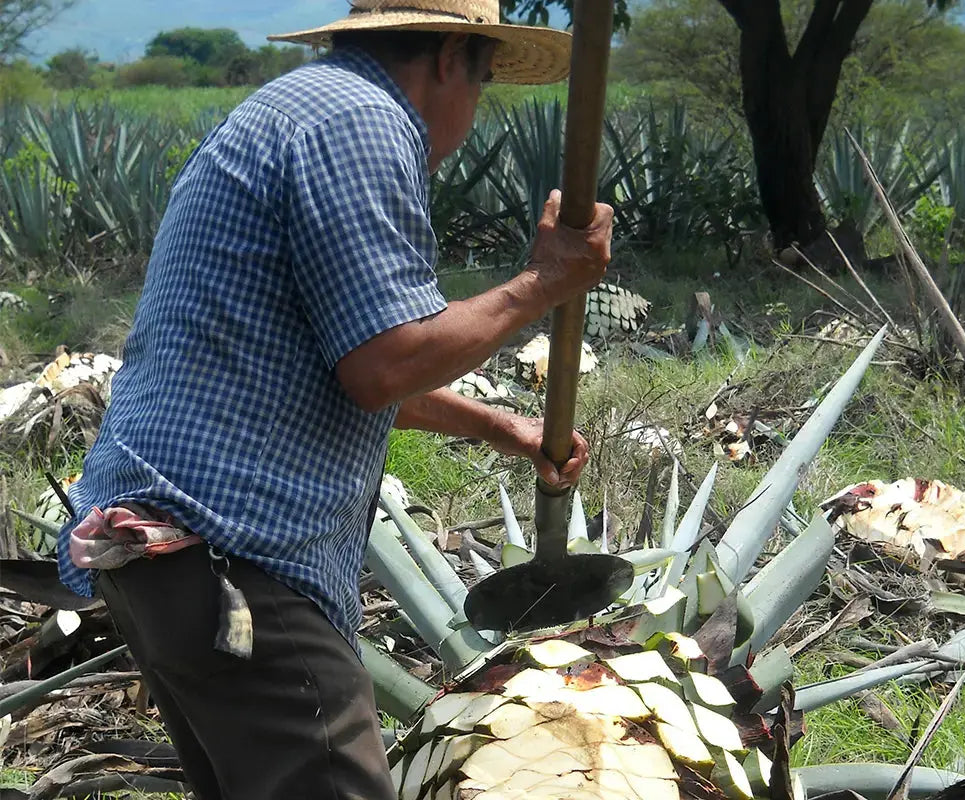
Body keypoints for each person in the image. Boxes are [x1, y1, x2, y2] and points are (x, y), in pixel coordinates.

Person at [54, 1, 613, 797]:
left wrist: (497, 425)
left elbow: (337, 364)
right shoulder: (362, 123)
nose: (471, 110)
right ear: (452, 57)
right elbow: (384, 367)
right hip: (231, 556)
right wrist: (545, 283)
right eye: (483, 81)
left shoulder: (299, 108)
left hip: (162, 558)